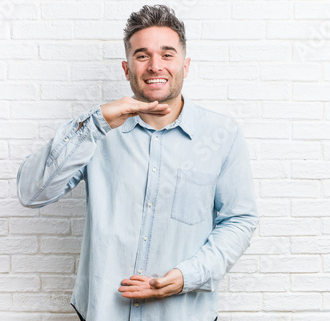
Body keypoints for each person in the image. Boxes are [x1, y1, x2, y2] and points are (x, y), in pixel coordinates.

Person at [17, 4, 258, 321]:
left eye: (167, 54)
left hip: (184, 313)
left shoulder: (222, 135)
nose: (155, 65)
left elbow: (238, 221)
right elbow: (32, 193)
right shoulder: (96, 133)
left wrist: (188, 276)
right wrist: (96, 122)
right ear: (126, 68)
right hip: (104, 312)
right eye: (142, 55)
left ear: (185, 65)